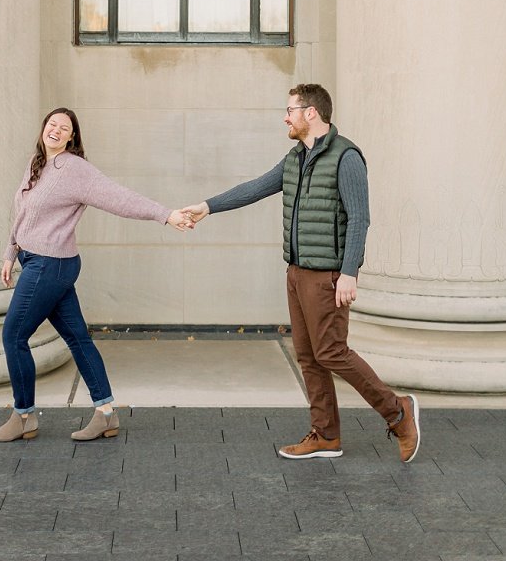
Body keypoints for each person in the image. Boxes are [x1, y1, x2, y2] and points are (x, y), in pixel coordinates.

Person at [178, 83, 422, 463]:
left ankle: (397, 411)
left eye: (290, 109)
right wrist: (208, 207)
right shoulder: (295, 158)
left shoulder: (346, 157)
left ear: (311, 113)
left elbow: (360, 218)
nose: (285, 117)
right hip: (297, 272)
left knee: (332, 352)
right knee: (308, 356)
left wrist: (349, 272)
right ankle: (325, 434)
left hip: (327, 276)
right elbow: (256, 187)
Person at [0, 107, 193, 443]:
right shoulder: (36, 164)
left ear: (72, 137)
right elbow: (21, 213)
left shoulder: (74, 169)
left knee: (13, 336)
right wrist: (11, 252)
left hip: (49, 265)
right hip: (45, 262)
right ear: (44, 128)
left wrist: (165, 214)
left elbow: (118, 198)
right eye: (51, 124)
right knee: (78, 338)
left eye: (63, 127)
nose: (55, 130)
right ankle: (106, 414)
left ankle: (23, 416)